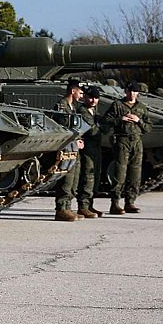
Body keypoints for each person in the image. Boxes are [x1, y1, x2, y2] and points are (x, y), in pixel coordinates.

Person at [105, 82, 151, 214]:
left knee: (135, 173)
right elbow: (106, 120)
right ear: (126, 92)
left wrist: (138, 120)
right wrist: (120, 119)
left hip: (136, 141)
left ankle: (130, 202)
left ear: (138, 93)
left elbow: (148, 127)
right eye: (130, 91)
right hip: (122, 140)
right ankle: (115, 203)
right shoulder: (117, 105)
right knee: (120, 173)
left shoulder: (141, 107)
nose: (132, 94)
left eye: (134, 91)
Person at [54, 79, 87, 222]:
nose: (81, 95)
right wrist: (74, 140)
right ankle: (61, 209)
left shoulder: (72, 107)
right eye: (80, 92)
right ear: (73, 91)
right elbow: (61, 129)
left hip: (73, 147)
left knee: (74, 179)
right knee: (66, 179)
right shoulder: (61, 107)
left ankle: (68, 207)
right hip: (66, 148)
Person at [74, 85, 106, 219]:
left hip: (95, 146)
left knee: (95, 176)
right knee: (88, 176)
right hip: (87, 147)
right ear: (85, 97)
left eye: (96, 98)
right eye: (91, 97)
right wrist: (102, 125)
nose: (93, 100)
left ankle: (89, 204)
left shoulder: (93, 111)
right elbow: (92, 130)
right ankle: (83, 206)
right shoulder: (82, 111)